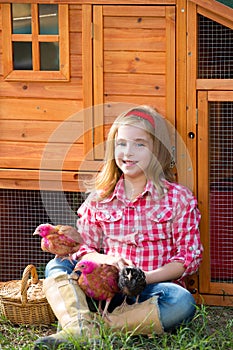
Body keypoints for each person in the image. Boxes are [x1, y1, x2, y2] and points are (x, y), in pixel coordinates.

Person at [34, 105, 203, 349]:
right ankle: (79, 323)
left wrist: (144, 278)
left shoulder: (178, 198)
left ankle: (89, 327)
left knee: (181, 301)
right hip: (104, 286)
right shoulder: (100, 197)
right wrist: (108, 261)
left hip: (149, 290)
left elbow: (188, 257)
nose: (128, 152)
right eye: (121, 143)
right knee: (57, 265)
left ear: (158, 150)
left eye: (140, 144)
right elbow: (83, 247)